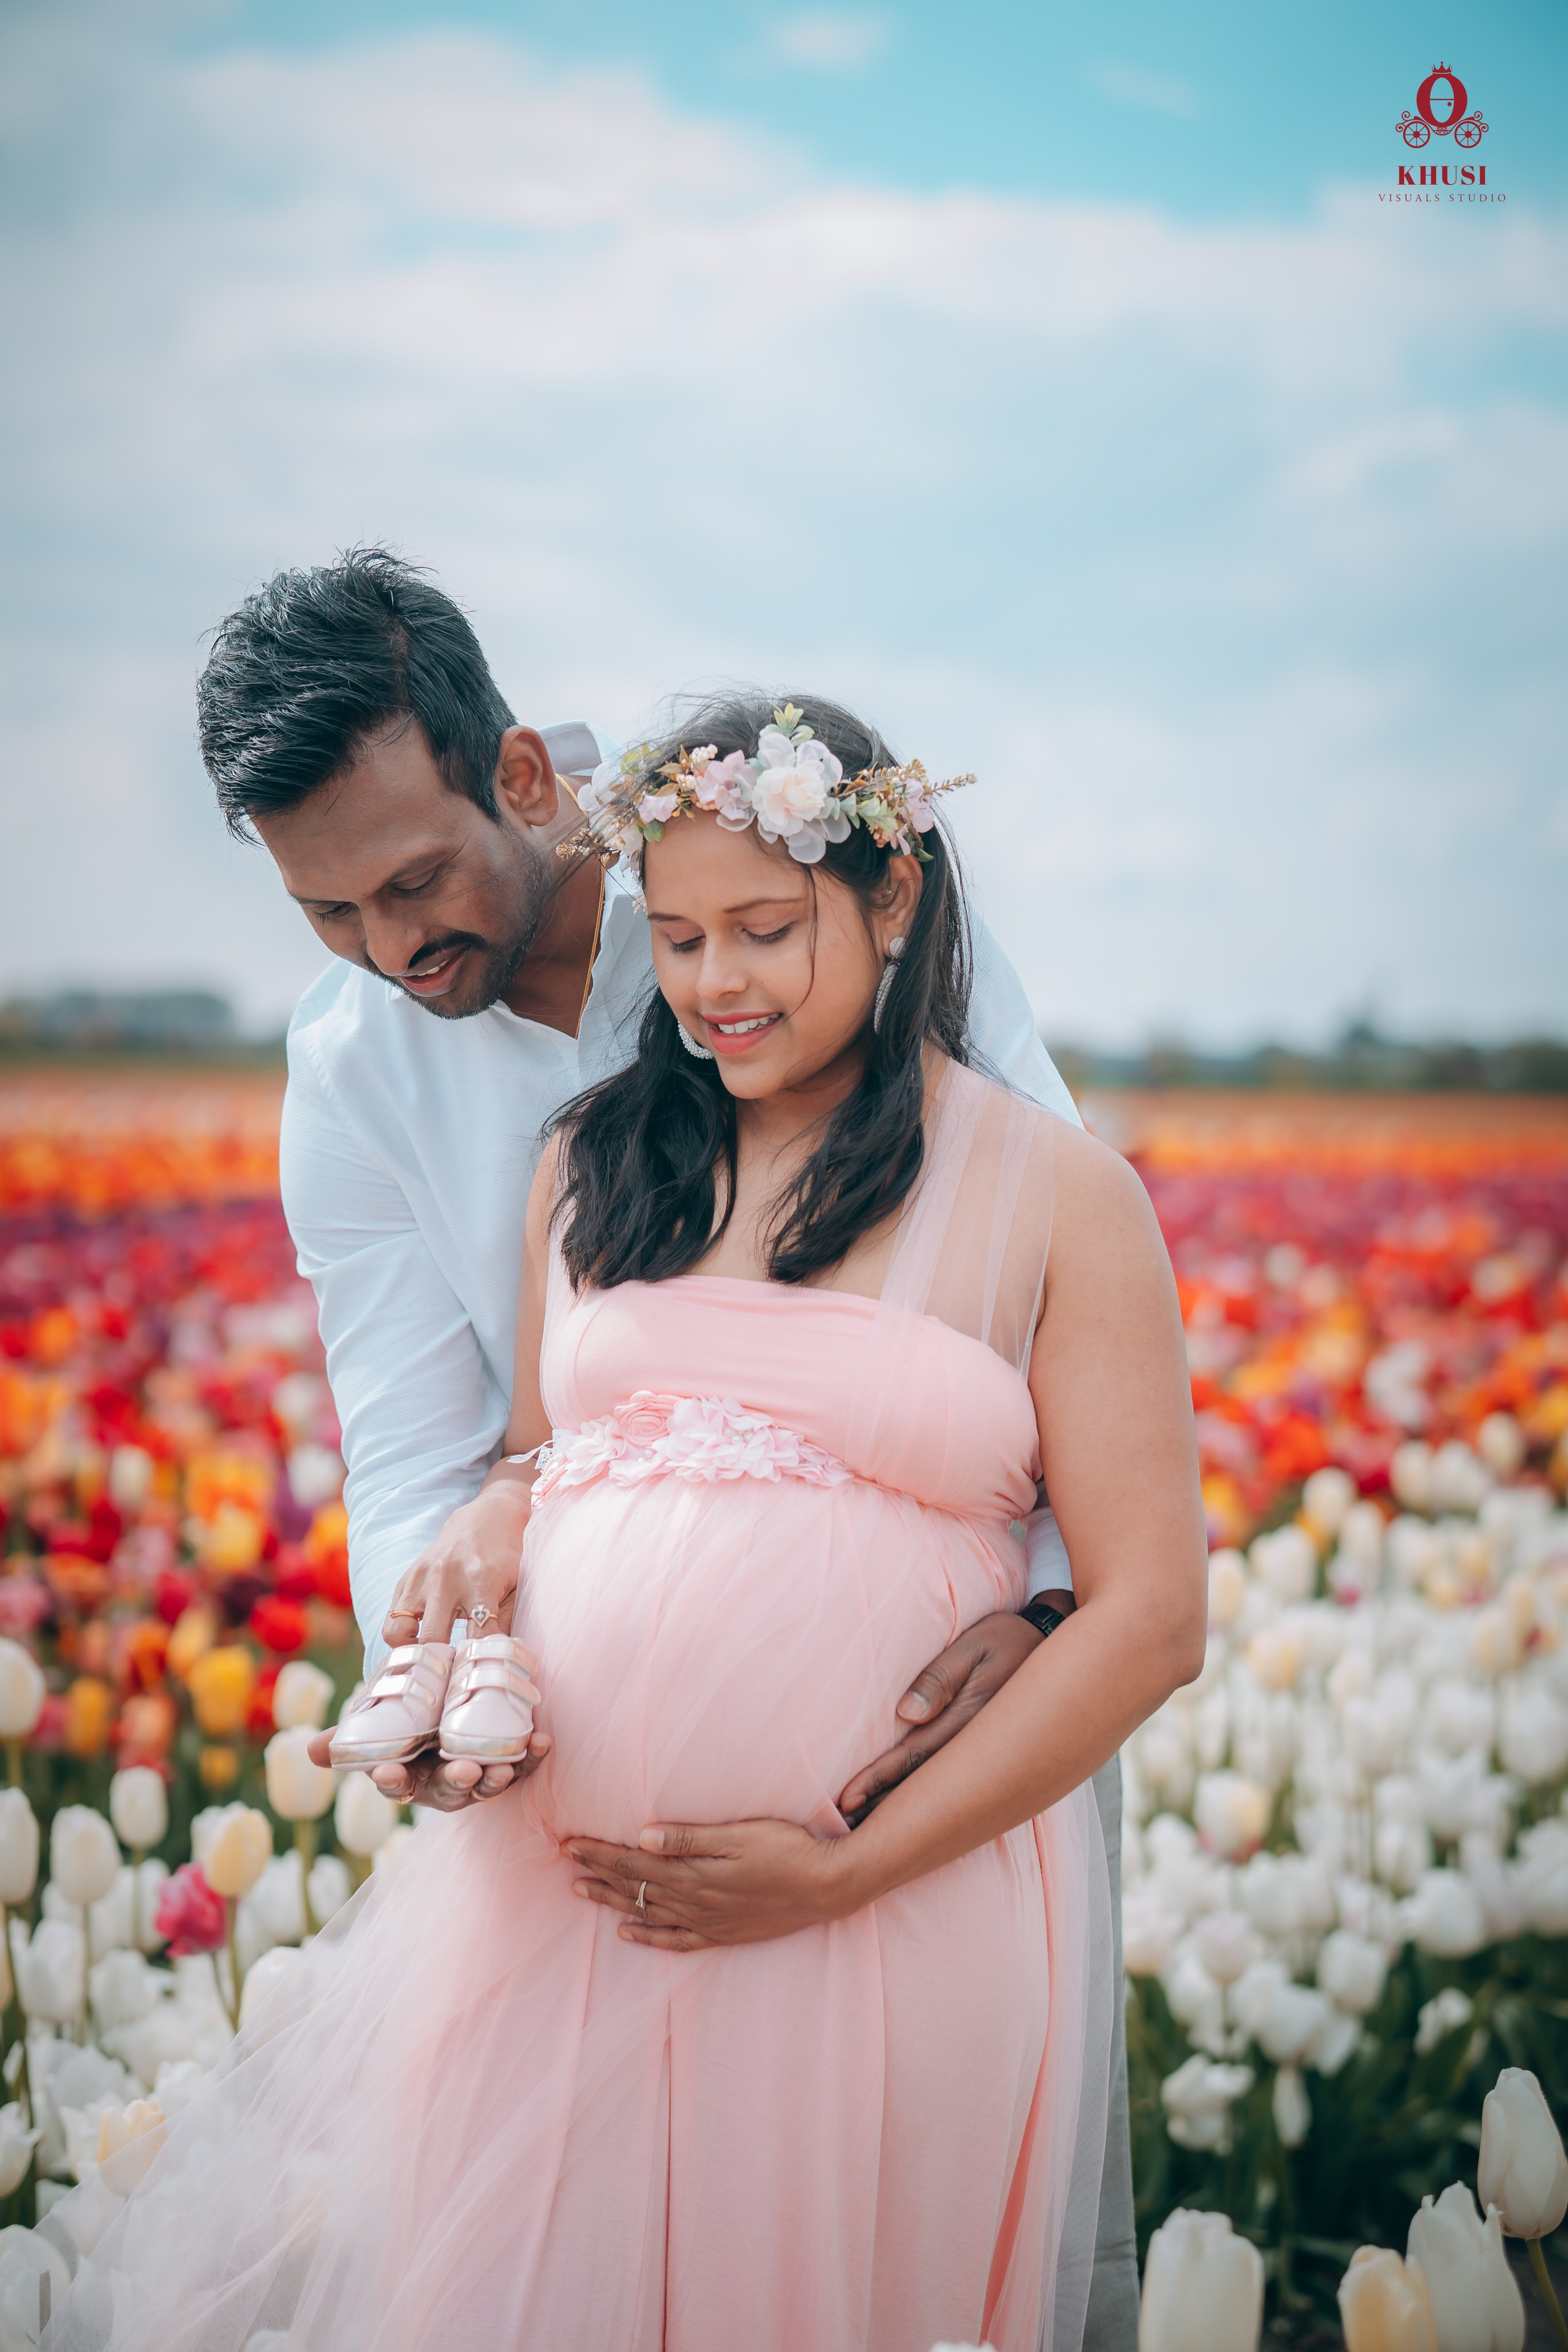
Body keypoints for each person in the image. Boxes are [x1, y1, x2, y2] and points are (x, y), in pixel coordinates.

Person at [40, 689, 1205, 2352]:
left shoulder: (1061, 1194)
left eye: (762, 929)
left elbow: (1155, 1613)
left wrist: (840, 1870)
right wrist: (467, 1601)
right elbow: (504, 1454)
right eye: (674, 940)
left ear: (892, 900)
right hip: (554, 1899)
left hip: (880, 1902)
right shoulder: (594, 1163)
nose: (717, 983)